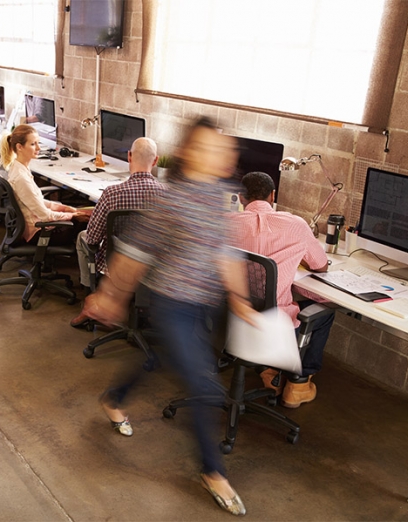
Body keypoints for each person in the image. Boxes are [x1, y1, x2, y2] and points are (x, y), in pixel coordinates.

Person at [82, 117, 256, 516]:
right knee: (204, 387)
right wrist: (111, 296)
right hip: (171, 304)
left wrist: (240, 299)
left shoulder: (219, 196)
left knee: (159, 360)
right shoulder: (171, 200)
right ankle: (213, 471)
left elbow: (226, 253)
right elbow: (133, 254)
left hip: (204, 304)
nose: (221, 155)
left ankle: (114, 397)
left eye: (223, 148)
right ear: (190, 154)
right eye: (210, 148)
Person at [232, 171, 334, 408]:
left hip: (238, 319)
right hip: (276, 326)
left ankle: (270, 373)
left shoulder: (225, 224)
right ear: (273, 195)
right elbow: (321, 266)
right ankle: (298, 385)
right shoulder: (296, 225)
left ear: (240, 197)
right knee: (324, 311)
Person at [71, 137, 167, 327]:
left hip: (115, 266)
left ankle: (90, 294)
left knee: (82, 236)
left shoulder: (111, 193)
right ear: (156, 160)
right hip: (154, 268)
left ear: (129, 156)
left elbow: (93, 239)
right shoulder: (167, 196)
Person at [0, 124, 91, 245]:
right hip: (39, 232)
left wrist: (65, 208)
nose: (38, 148)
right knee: (89, 222)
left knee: (80, 210)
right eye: (33, 144)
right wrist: (72, 216)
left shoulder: (20, 168)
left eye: (38, 143)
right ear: (19, 147)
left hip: (38, 224)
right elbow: (45, 216)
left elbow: (37, 202)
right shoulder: (21, 178)